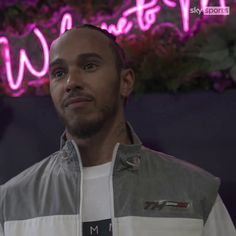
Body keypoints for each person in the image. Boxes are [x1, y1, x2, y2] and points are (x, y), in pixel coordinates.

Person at [0, 24, 235, 236]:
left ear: (126, 82)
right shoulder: (11, 202)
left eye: (89, 65)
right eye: (59, 73)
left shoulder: (195, 192)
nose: (71, 82)